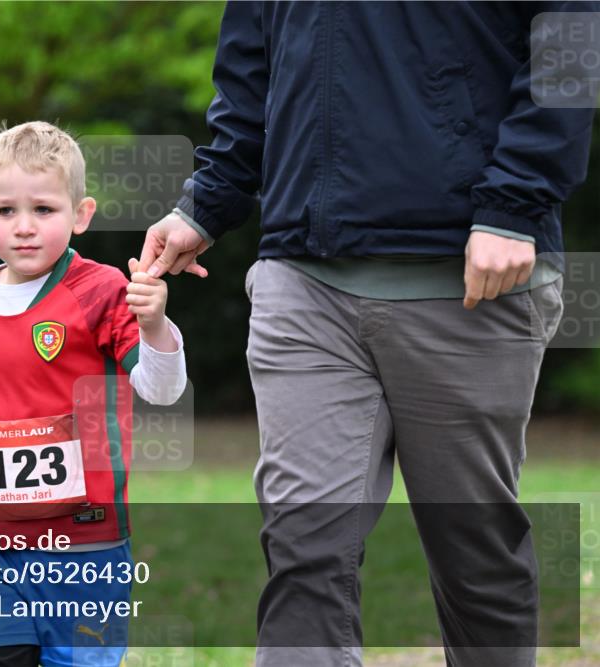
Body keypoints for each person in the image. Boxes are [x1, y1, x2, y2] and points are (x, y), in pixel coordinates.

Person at [138, 3, 595, 667]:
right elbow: (251, 66)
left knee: (474, 552)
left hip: (467, 272)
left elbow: (573, 40)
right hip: (303, 276)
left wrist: (515, 202)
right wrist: (208, 199)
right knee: (305, 544)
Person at [0, 121, 188, 667]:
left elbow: (162, 390)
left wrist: (155, 328)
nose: (25, 227)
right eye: (7, 211)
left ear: (80, 215)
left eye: (45, 209)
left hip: (87, 543)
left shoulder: (103, 291)